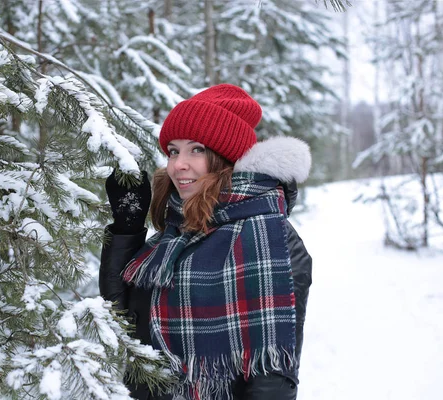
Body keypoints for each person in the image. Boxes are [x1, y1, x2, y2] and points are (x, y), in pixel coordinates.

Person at [100, 84, 312, 400]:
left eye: (196, 149)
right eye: (173, 151)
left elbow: (274, 381)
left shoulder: (273, 242)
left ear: (225, 158)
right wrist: (127, 229)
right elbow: (122, 315)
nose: (177, 165)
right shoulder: (178, 231)